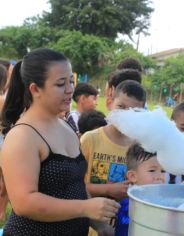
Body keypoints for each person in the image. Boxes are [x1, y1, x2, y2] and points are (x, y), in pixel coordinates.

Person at [0, 48, 119, 235]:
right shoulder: (23, 136)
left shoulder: (66, 126)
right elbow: (24, 203)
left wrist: (98, 223)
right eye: (60, 84)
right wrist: (84, 208)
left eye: (71, 81)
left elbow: (75, 185)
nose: (70, 89)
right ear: (35, 89)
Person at [81, 80, 146, 198]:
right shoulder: (90, 139)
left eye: (134, 111)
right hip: (90, 213)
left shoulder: (140, 146)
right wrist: (108, 189)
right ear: (109, 103)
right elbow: (73, 184)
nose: (126, 115)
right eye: (121, 107)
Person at [115, 143, 166, 236]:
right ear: (133, 176)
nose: (160, 177)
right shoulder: (128, 207)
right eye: (152, 171)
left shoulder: (164, 203)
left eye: (163, 171)